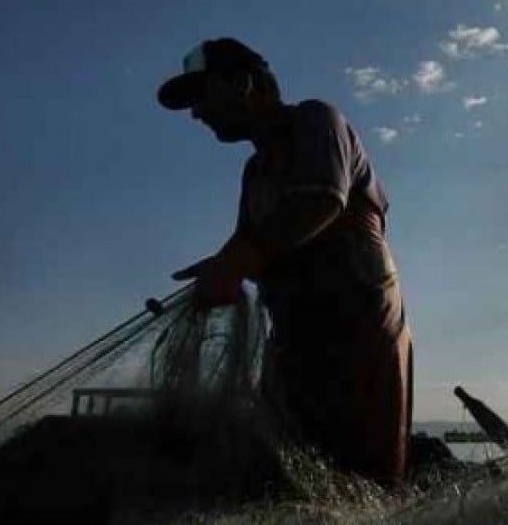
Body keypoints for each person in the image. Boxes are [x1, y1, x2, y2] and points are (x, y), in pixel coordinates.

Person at [158, 37, 412, 490]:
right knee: (286, 476)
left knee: (364, 481)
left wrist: (235, 262)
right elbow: (249, 248)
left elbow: (320, 199)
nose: (196, 113)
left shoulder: (316, 120)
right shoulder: (255, 173)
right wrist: (219, 272)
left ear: (243, 83)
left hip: (360, 335)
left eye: (202, 95)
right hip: (294, 344)